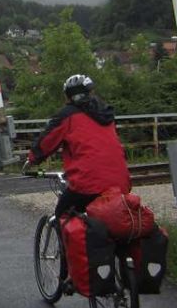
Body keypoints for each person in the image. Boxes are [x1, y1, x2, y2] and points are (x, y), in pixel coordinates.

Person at [27, 74, 131, 219]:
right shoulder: (106, 114)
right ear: (91, 92)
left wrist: (32, 159)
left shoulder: (67, 115)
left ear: (68, 97)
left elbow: (46, 143)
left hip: (87, 185)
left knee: (62, 214)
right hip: (121, 184)